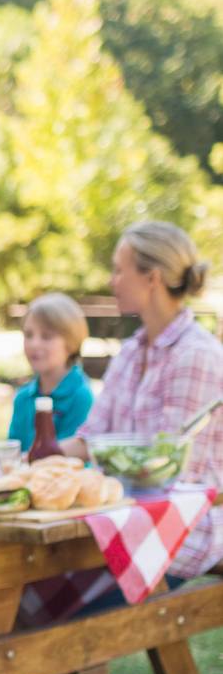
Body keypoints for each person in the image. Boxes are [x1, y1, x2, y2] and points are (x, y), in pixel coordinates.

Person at [63, 222, 223, 579]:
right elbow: (90, 437)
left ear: (152, 278)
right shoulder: (132, 351)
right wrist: (37, 458)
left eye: (120, 270)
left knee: (50, 581)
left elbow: (173, 468)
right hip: (126, 515)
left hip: (182, 526)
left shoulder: (195, 355)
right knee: (36, 575)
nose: (112, 280)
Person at [8, 293, 95, 451]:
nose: (34, 344)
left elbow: (69, 457)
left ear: (71, 342)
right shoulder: (23, 398)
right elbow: (13, 451)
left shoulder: (81, 397)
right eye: (28, 335)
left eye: (46, 336)